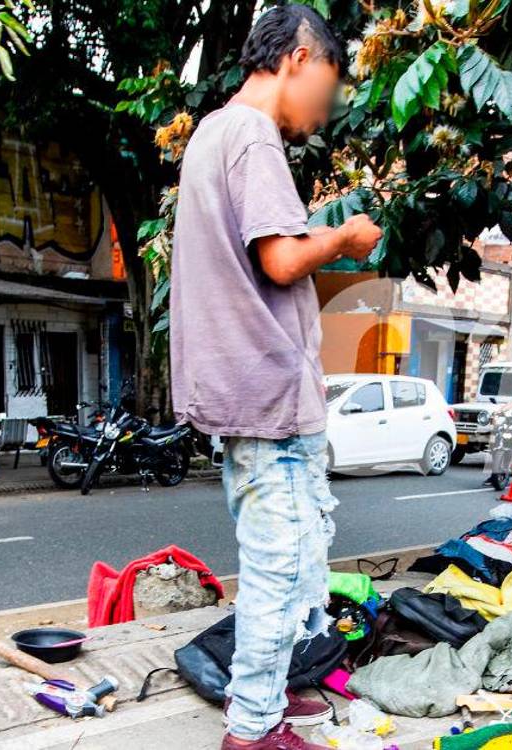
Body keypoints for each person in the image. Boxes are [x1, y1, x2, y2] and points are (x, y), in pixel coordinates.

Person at [170, 7, 381, 749]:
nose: (324, 111)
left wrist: (316, 230)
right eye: (327, 85)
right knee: (278, 568)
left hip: (240, 391)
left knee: (291, 563)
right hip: (266, 394)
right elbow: (283, 261)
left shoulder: (212, 133)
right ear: (299, 55)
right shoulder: (253, 135)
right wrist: (347, 236)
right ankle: (252, 730)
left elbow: (265, 255)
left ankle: (264, 693)